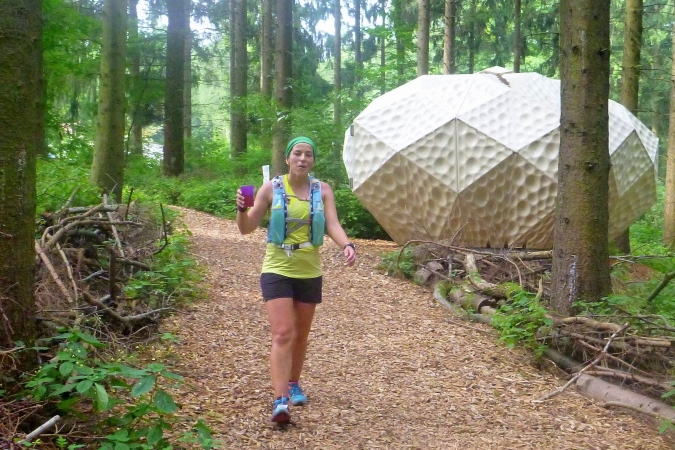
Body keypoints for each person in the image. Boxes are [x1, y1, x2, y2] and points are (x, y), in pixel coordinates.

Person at [235, 136, 356, 424]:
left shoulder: (322, 190)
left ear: (313, 161)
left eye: (308, 155)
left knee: (300, 335)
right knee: (283, 333)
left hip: (309, 270)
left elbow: (332, 223)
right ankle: (281, 401)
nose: (303, 159)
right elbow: (247, 228)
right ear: (288, 158)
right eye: (298, 153)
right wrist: (241, 210)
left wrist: (347, 244)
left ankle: (293, 383)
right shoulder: (270, 188)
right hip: (277, 268)